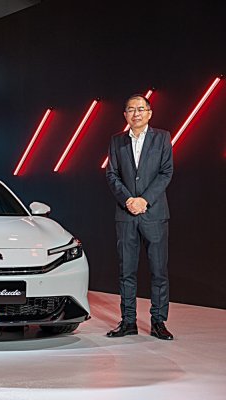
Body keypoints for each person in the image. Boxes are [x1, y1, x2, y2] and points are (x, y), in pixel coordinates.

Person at [106, 94, 174, 340]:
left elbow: (166, 172)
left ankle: (158, 322)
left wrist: (144, 200)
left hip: (154, 214)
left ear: (149, 113)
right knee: (126, 271)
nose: (136, 113)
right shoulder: (116, 141)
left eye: (141, 109)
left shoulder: (162, 138)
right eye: (131, 109)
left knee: (158, 271)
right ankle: (128, 322)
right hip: (126, 215)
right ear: (125, 114)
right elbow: (112, 174)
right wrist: (128, 200)